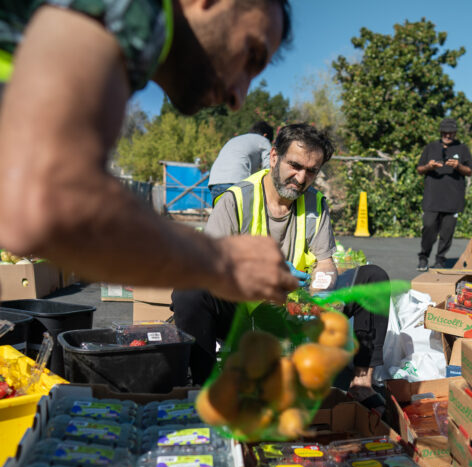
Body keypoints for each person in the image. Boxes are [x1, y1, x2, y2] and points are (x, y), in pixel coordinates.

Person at [0, 0, 299, 306]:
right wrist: (225, 261)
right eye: (251, 54)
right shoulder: (135, 8)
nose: (239, 97)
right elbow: (49, 205)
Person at [172, 123, 390, 411]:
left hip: (295, 308)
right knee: (190, 291)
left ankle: (361, 383)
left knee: (373, 278)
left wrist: (321, 288)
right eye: (295, 165)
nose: (301, 178)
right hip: (245, 308)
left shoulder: (316, 204)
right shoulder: (236, 200)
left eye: (311, 171)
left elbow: (325, 262)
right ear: (273, 157)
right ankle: (205, 388)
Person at [416, 117, 472, 271]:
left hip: (453, 199)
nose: (448, 135)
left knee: (447, 233)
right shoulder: (431, 147)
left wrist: (458, 165)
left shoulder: (462, 148)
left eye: (451, 132)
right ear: (441, 132)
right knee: (428, 227)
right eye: (446, 132)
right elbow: (419, 169)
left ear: (455, 133)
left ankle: (440, 259)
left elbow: (469, 171)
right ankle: (423, 256)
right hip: (432, 198)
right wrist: (429, 166)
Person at [208, 120, 274, 203]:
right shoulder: (263, 140)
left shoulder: (237, 139)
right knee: (241, 214)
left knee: (221, 215)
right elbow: (268, 165)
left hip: (215, 182)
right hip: (236, 181)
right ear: (265, 135)